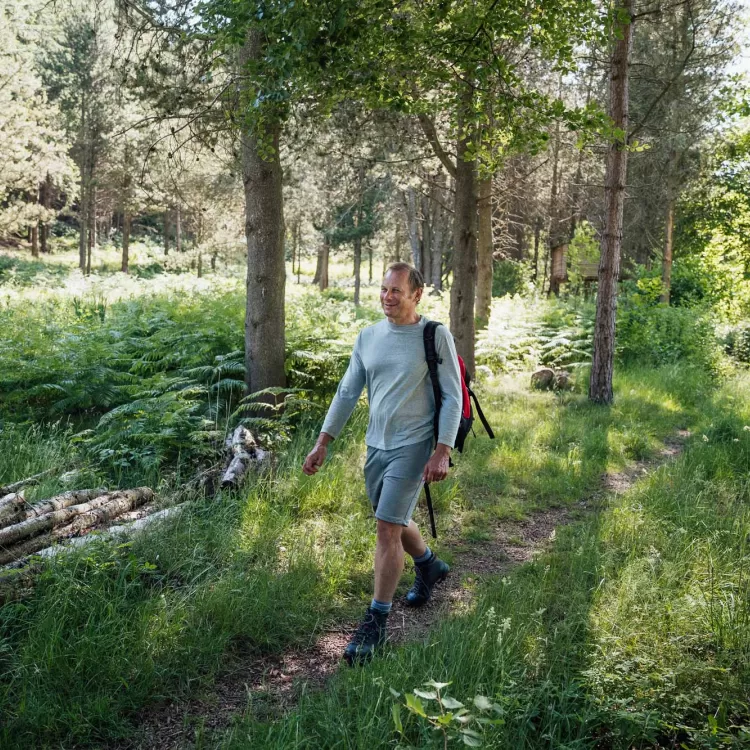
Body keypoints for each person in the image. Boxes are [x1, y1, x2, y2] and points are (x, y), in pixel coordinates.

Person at [302, 262, 463, 665]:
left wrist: (442, 450)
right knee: (392, 515)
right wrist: (323, 442)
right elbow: (345, 392)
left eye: (396, 291)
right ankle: (428, 565)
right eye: (383, 289)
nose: (388, 297)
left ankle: (376, 622)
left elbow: (453, 394)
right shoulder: (368, 337)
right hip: (377, 445)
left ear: (416, 295)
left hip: (416, 444)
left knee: (386, 527)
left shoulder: (434, 335)